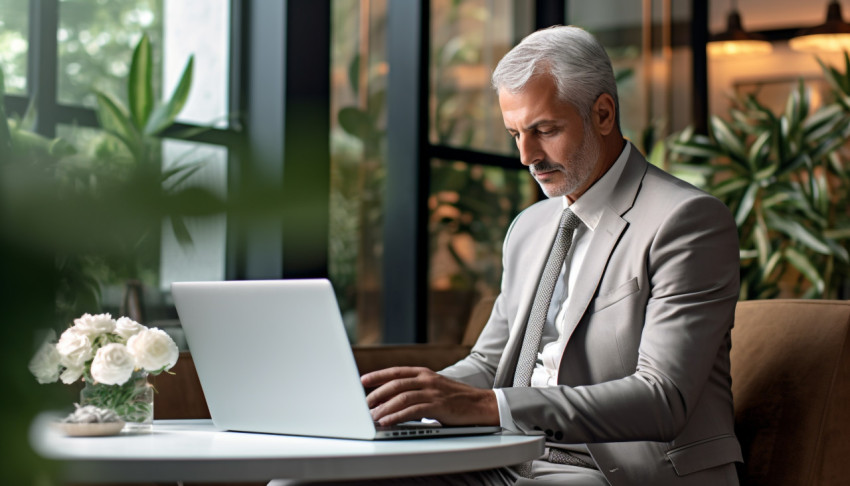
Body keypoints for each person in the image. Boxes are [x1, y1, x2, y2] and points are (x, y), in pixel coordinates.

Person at [360, 25, 742, 485]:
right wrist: (404, 399)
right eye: (514, 133)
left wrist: (488, 408)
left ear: (603, 113)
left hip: (614, 471)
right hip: (506, 459)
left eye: (544, 130)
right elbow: (489, 364)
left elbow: (662, 397)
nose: (526, 156)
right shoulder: (529, 228)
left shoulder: (688, 220)